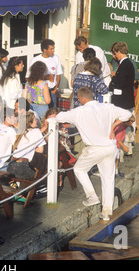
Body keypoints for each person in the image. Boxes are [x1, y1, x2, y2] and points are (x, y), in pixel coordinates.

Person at [55, 87, 132, 221]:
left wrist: (69, 121)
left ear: (82, 98)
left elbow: (58, 117)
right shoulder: (108, 107)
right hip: (110, 146)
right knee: (108, 179)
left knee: (79, 169)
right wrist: (113, 127)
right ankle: (106, 213)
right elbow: (127, 114)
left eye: (78, 99)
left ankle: (92, 197)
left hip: (95, 148)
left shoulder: (79, 112)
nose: (78, 101)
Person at [27, 39, 63, 108]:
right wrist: (45, 77)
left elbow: (58, 75)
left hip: (52, 91)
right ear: (44, 50)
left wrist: (56, 88)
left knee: (52, 113)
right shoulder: (35, 60)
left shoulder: (56, 58)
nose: (53, 51)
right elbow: (28, 77)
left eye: (53, 48)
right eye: (51, 49)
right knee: (41, 113)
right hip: (39, 91)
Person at [108, 42, 135, 111]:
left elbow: (122, 83)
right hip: (123, 100)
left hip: (123, 101)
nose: (115, 56)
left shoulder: (125, 64)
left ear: (119, 52)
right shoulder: (125, 63)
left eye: (115, 53)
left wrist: (114, 77)